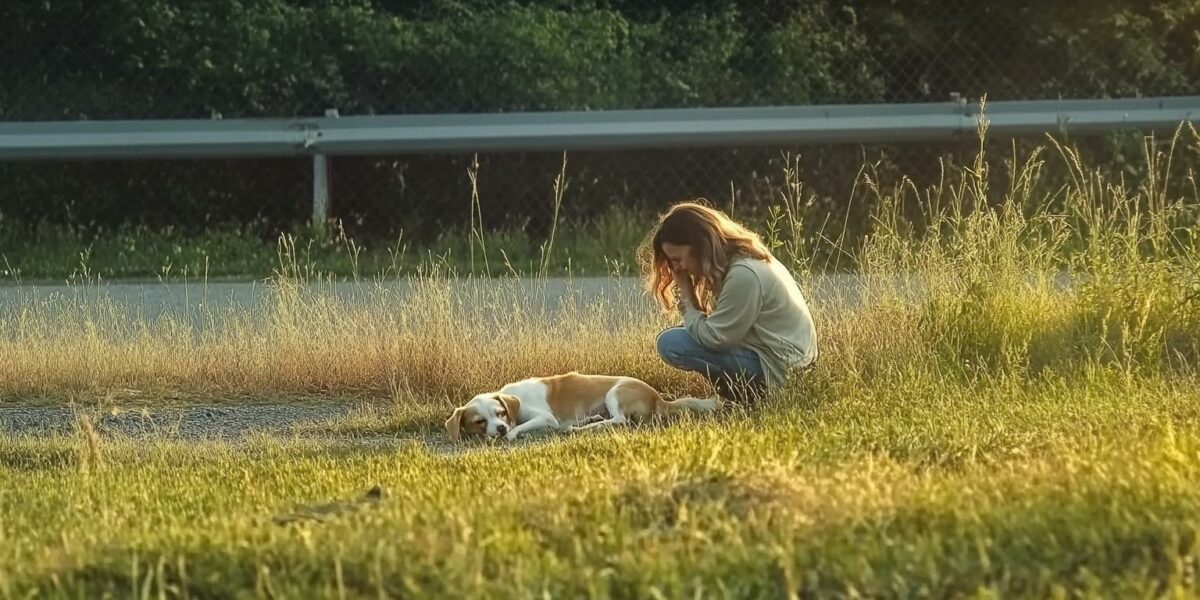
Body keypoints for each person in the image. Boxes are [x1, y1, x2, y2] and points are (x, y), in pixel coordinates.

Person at [641, 200, 818, 404]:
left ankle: (741, 398)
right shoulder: (737, 264)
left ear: (700, 246)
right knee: (684, 335)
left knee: (672, 343)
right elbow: (717, 330)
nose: (677, 269)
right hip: (777, 359)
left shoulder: (744, 274)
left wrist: (688, 298)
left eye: (677, 259)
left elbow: (715, 338)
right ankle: (736, 396)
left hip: (782, 371)